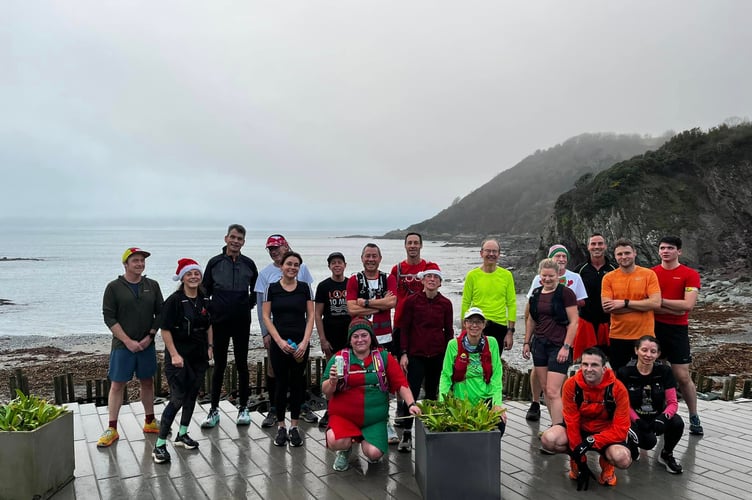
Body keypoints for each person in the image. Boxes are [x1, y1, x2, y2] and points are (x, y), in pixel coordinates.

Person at [322, 317, 421, 472]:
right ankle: (345, 450)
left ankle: (364, 438)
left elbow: (401, 383)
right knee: (336, 441)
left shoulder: (383, 357)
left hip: (374, 420)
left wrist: (411, 404)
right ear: (350, 339)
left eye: (364, 335)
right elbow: (326, 391)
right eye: (355, 336)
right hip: (344, 417)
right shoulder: (339, 358)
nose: (360, 339)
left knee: (374, 454)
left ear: (371, 337)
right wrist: (333, 382)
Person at [540, 347, 634, 490]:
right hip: (580, 429)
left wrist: (591, 442)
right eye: (585, 364)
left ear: (604, 368)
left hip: (606, 434)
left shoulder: (618, 389)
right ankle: (575, 460)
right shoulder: (571, 384)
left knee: (623, 458)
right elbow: (571, 422)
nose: (588, 369)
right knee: (548, 439)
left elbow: (621, 429)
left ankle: (607, 465)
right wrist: (581, 459)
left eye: (594, 365)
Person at [98, 247, 163, 448]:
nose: (140, 264)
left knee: (147, 382)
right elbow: (109, 316)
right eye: (135, 261)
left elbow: (160, 313)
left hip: (147, 344)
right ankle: (112, 428)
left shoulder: (152, 285)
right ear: (125, 264)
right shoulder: (113, 287)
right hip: (122, 345)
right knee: (117, 384)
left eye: (142, 261)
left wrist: (150, 336)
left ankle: (150, 421)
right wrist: (127, 341)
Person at [152, 259, 214, 464]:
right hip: (178, 357)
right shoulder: (174, 301)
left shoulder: (204, 299)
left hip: (199, 355)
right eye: (190, 274)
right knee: (177, 399)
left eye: (197, 273)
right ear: (183, 277)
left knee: (191, 397)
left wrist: (210, 347)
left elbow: (208, 326)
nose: (194, 277)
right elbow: (165, 329)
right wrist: (174, 354)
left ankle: (182, 434)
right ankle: (159, 445)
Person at [255, 234, 317, 427]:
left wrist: (306, 339)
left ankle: (302, 407)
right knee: (276, 372)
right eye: (271, 249)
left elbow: (310, 307)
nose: (274, 252)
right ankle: (274, 410)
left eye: (277, 247)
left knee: (298, 371)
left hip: (299, 333)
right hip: (275, 332)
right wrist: (266, 333)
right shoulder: (265, 275)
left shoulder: (302, 268)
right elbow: (261, 308)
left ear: (286, 246)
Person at [201, 224, 259, 428]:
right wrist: (211, 309)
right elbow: (204, 290)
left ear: (243, 242)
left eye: (240, 239)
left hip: (242, 322)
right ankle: (213, 409)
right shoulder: (214, 263)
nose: (236, 241)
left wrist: (247, 305)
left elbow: (256, 290)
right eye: (233, 237)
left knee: (243, 365)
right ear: (226, 238)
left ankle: (243, 408)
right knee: (219, 366)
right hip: (219, 322)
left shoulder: (249, 264)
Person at [524, 245, 587, 422]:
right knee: (545, 388)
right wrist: (527, 342)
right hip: (540, 344)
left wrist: (566, 347)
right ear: (539, 276)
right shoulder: (536, 294)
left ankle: (560, 427)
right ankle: (554, 425)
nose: (547, 279)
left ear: (558, 275)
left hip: (559, 345)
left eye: (551, 276)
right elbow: (531, 319)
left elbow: (574, 321)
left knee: (553, 390)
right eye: (544, 276)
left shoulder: (566, 293)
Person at [346, 242, 399, 443]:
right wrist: (379, 306)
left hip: (384, 338)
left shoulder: (389, 279)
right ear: (362, 258)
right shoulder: (354, 280)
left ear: (380, 258)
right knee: (360, 380)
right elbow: (351, 309)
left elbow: (392, 302)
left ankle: (385, 422)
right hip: (360, 339)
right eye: (367, 256)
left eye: (374, 256)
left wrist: (366, 303)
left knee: (383, 381)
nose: (370, 259)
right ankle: (361, 422)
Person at [397, 267, 454, 451]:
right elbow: (404, 329)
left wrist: (449, 356)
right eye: (428, 276)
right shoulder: (411, 301)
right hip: (416, 355)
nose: (431, 279)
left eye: (435, 277)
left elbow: (449, 331)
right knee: (411, 393)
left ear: (440, 282)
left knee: (432, 393)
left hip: (437, 355)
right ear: (422, 280)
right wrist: (403, 353)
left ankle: (429, 429)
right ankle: (406, 432)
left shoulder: (446, 304)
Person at [652, 236, 704, 435]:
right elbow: (650, 304)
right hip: (654, 328)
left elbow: (687, 306)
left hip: (677, 330)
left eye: (670, 248)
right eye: (662, 248)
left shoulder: (689, 274)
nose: (666, 251)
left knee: (682, 376)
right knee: (660, 374)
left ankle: (693, 415)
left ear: (679, 251)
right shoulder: (651, 273)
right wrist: (672, 307)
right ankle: (665, 414)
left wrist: (659, 302)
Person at [389, 232, 440, 433]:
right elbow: (390, 295)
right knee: (402, 367)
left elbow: (435, 285)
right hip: (401, 323)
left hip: (421, 325)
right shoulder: (397, 269)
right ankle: (402, 406)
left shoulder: (428, 268)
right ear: (405, 246)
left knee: (423, 368)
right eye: (409, 243)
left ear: (421, 245)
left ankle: (424, 407)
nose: (412, 246)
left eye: (416, 243)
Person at [617, 336, 684, 474]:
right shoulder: (624, 372)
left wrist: (664, 417)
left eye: (653, 351)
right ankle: (631, 440)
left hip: (656, 417)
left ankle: (666, 454)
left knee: (677, 423)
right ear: (636, 351)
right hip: (633, 418)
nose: (648, 355)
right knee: (648, 442)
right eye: (644, 350)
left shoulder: (665, 371)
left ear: (658, 354)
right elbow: (622, 404)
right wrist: (637, 420)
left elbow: (672, 402)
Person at [438, 307, 507, 435]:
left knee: (500, 423)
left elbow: (496, 375)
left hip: (485, 400)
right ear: (465, 324)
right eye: (470, 321)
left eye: (479, 322)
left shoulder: (492, 343)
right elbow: (445, 376)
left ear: (484, 325)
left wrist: (497, 404)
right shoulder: (453, 345)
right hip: (461, 401)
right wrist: (443, 403)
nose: (474, 325)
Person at [601, 238, 661, 372]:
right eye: (620, 254)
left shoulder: (648, 274)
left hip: (645, 336)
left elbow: (656, 303)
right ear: (615, 256)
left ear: (635, 253)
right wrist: (643, 305)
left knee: (646, 375)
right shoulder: (609, 278)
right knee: (620, 376)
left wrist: (624, 303)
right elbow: (607, 308)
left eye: (627, 253)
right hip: (618, 335)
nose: (624, 257)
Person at [314, 251, 350, 429]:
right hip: (331, 337)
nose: (337, 265)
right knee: (332, 375)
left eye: (339, 262)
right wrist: (322, 339)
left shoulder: (351, 283)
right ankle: (330, 410)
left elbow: (357, 308)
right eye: (333, 263)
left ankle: (347, 410)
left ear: (345, 265)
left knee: (350, 374)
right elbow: (317, 314)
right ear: (329, 266)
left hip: (349, 338)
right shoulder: (323, 286)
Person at [461, 239, 517, 354]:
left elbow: (511, 304)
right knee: (474, 363)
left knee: (493, 364)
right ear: (481, 253)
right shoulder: (472, 275)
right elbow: (466, 302)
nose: (491, 254)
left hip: (499, 326)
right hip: (477, 325)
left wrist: (510, 332)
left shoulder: (506, 275)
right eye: (488, 251)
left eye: (494, 251)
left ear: (499, 254)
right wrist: (464, 329)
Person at [574, 233, 617, 361]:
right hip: (586, 322)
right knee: (584, 361)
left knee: (611, 361)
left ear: (605, 246)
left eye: (600, 244)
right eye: (593, 244)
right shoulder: (579, 270)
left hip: (609, 322)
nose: (596, 247)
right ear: (588, 247)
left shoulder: (614, 268)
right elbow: (570, 296)